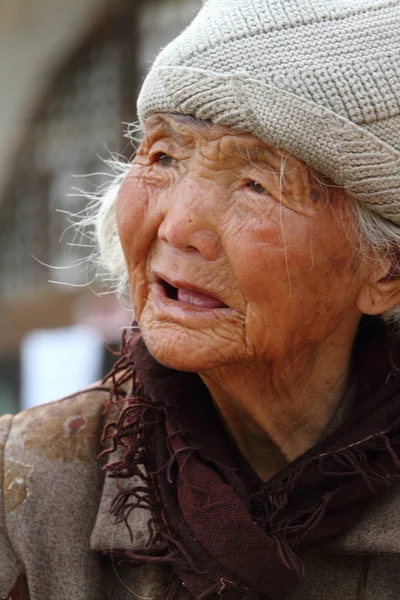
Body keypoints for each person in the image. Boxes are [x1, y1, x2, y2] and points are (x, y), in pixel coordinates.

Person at [1, 0, 400, 598]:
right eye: (163, 156)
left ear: (387, 271)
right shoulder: (27, 485)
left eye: (256, 183)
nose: (177, 226)